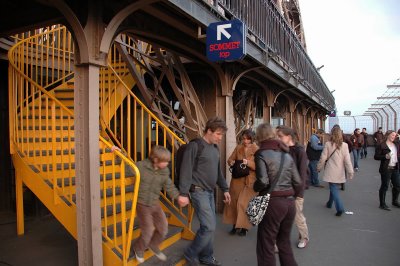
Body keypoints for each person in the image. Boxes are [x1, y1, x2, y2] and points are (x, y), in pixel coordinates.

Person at [179, 117, 231, 266]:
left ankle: (206, 257)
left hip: (209, 192)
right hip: (198, 191)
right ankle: (190, 254)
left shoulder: (215, 149)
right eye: (218, 134)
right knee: (209, 227)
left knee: (209, 226)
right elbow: (185, 170)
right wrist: (183, 193)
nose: (220, 138)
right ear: (209, 131)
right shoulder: (195, 146)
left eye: (222, 135)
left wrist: (225, 189)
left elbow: (218, 172)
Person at [253, 123, 302, 266]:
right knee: (284, 242)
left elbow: (262, 181)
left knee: (266, 244)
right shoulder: (286, 154)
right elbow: (298, 181)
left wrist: (254, 187)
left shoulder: (261, 154)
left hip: (273, 203)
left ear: (259, 137)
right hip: (289, 203)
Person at [133, 146, 188, 263]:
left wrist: (178, 197)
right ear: (156, 160)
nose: (167, 164)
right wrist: (116, 152)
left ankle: (153, 245)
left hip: (155, 203)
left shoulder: (164, 171)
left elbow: (169, 186)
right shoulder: (140, 166)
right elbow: (126, 167)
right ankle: (138, 248)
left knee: (163, 228)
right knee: (148, 230)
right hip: (142, 204)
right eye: (165, 161)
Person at [276, 126, 309, 249]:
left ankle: (304, 237)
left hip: (295, 190)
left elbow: (302, 173)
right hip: (282, 188)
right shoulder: (280, 150)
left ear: (288, 137)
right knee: (279, 216)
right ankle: (278, 241)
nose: (277, 138)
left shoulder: (299, 151)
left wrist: (299, 193)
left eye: (280, 136)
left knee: (297, 216)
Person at [223, 129, 258, 236]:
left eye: (248, 139)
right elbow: (229, 160)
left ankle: (244, 227)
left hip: (249, 180)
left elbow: (259, 165)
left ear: (252, 139)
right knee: (234, 203)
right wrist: (232, 162)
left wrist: (248, 163)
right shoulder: (238, 147)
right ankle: (234, 225)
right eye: (244, 139)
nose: (245, 141)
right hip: (237, 180)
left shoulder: (257, 149)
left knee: (245, 204)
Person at [317, 125, 354, 216]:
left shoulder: (328, 144)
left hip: (330, 169)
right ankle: (329, 203)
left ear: (331, 134)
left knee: (333, 187)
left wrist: (319, 167)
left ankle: (340, 207)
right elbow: (347, 160)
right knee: (333, 187)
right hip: (340, 170)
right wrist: (350, 171)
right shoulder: (345, 145)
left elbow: (323, 157)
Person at [374, 130, 400, 211]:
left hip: (395, 167)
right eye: (392, 135)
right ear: (388, 135)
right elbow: (376, 156)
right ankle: (382, 204)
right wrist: (385, 156)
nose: (394, 137)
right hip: (386, 168)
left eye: (395, 136)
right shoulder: (381, 145)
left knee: (397, 185)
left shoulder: (396, 144)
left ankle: (394, 201)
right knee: (385, 186)